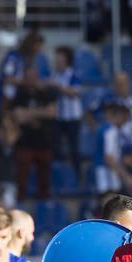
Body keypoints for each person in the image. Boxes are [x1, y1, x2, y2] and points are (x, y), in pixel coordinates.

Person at [11, 66, 56, 199]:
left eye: (34, 77)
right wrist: (41, 113)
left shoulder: (46, 94)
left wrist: (28, 114)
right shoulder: (19, 95)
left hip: (44, 142)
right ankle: (20, 201)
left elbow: (52, 113)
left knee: (45, 180)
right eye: (28, 77)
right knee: (21, 178)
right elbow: (17, 115)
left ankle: (44, 202)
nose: (31, 80)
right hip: (25, 143)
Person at [52, 45, 83, 174]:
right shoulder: (54, 75)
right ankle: (60, 176)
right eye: (57, 57)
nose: (58, 60)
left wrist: (58, 87)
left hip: (73, 117)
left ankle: (78, 175)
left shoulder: (73, 74)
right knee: (56, 148)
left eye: (60, 57)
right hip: (59, 116)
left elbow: (75, 92)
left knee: (74, 148)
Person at [93, 103, 132, 194]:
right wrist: (126, 176)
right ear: (119, 116)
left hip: (107, 171)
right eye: (125, 118)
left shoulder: (105, 129)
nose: (126, 121)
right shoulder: (110, 131)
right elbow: (108, 158)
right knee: (109, 200)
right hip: (107, 173)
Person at [0, 30, 43, 106]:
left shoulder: (30, 59)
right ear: (31, 45)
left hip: (24, 94)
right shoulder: (13, 57)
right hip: (12, 94)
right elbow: (7, 79)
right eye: (38, 46)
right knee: (8, 90)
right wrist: (27, 83)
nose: (40, 49)